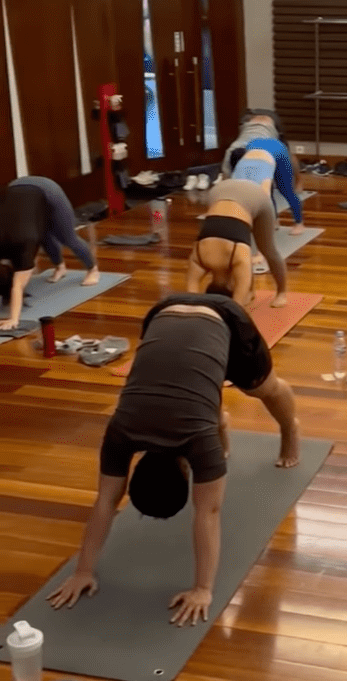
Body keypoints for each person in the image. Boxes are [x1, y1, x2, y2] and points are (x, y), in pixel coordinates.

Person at [46, 291, 300, 628]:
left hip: (225, 317)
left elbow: (207, 513)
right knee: (193, 378)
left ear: (186, 468)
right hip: (162, 310)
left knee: (261, 389)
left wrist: (203, 590)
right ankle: (221, 420)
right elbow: (105, 502)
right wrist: (82, 571)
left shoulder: (197, 442)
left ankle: (290, 428)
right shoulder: (121, 430)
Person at [0, 176, 99, 330]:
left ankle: (93, 269)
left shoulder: (23, 244)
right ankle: (60, 267)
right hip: (16, 189)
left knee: (67, 237)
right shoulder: (18, 241)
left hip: (46, 189)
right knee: (40, 233)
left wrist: (13, 319)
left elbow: (18, 286)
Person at [187, 178, 288, 308]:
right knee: (247, 257)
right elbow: (191, 299)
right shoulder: (198, 260)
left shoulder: (234, 258)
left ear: (231, 286)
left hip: (254, 195)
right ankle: (252, 292)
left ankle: (282, 293)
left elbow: (236, 308)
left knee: (268, 249)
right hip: (218, 190)